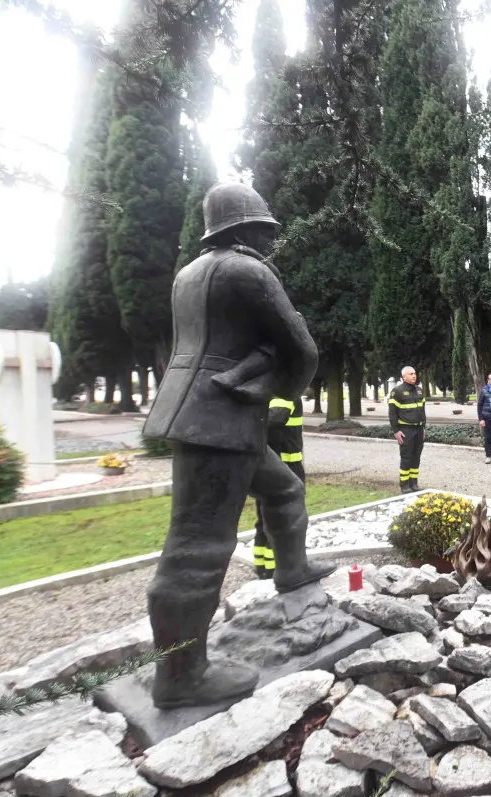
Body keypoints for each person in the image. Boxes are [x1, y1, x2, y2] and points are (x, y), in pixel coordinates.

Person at [142, 181, 333, 708]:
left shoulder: (187, 274)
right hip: (222, 420)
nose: (269, 240)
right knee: (198, 546)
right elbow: (302, 348)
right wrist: (281, 390)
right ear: (244, 229)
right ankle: (179, 675)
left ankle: (291, 571)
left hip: (199, 410)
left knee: (285, 491)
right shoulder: (248, 271)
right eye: (263, 230)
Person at [253, 394, 305, 578]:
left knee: (264, 518)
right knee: (283, 519)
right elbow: (273, 422)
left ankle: (262, 565)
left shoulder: (265, 395)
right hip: (286, 467)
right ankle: (275, 568)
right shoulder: (286, 394)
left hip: (268, 465)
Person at [388, 365, 426, 492]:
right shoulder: (397, 391)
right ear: (404, 377)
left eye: (414, 373)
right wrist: (396, 431)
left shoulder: (419, 390)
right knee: (406, 458)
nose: (414, 376)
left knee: (416, 457)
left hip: (419, 429)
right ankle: (404, 485)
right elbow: (392, 413)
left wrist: (423, 428)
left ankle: (414, 484)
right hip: (406, 430)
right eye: (411, 374)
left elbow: (423, 411)